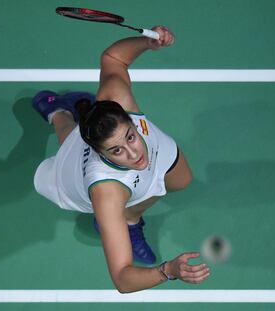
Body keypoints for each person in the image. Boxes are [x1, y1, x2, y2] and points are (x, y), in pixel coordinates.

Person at [32, 26, 210, 293]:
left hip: (152, 155)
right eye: (116, 151)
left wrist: (147, 43)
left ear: (129, 119)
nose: (133, 153)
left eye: (130, 137)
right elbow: (122, 279)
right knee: (68, 138)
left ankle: (130, 213)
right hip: (81, 180)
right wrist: (167, 271)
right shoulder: (107, 194)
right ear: (100, 153)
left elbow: (113, 59)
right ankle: (58, 112)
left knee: (181, 180)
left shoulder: (119, 97)